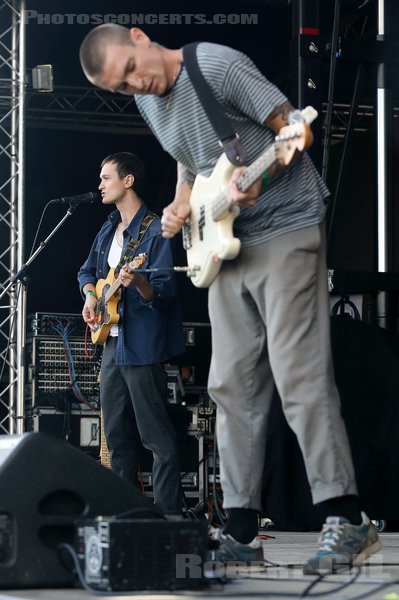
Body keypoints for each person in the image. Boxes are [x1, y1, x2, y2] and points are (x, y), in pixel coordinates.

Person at [79, 26, 381, 574]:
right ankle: (242, 530)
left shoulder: (215, 66)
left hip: (286, 226)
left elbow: (295, 131)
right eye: (123, 87)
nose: (136, 84)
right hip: (223, 246)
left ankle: (347, 518)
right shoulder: (151, 104)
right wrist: (179, 207)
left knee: (297, 373)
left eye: (131, 68)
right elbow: (190, 163)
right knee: (230, 383)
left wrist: (260, 181)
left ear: (140, 38)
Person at [78, 151, 186, 514]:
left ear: (128, 181)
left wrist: (138, 282)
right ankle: (124, 516)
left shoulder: (155, 230)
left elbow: (164, 291)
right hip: (112, 343)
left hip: (142, 346)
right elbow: (86, 272)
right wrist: (92, 296)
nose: (100, 185)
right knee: (116, 435)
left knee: (155, 436)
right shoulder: (109, 228)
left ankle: (170, 516)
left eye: (106, 178)